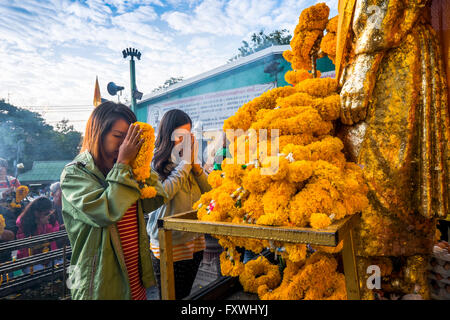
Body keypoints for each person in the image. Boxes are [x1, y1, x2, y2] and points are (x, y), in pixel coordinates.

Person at [60, 101, 167, 300]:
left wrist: (140, 162)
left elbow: (155, 198)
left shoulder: (125, 170)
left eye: (130, 138)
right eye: (118, 136)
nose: (125, 145)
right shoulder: (75, 173)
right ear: (97, 134)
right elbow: (104, 212)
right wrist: (123, 164)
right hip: (101, 284)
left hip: (136, 279)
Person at [148, 109, 212, 299]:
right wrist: (185, 164)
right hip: (169, 242)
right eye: (180, 135)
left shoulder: (189, 160)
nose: (184, 140)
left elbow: (209, 192)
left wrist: (196, 166)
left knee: (184, 295)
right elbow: (164, 194)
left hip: (194, 239)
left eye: (188, 134)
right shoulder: (155, 162)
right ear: (168, 136)